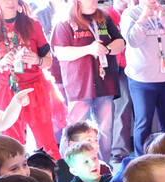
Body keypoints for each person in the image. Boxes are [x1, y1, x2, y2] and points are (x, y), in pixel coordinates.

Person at [0, 0, 61, 160]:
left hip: (34, 89)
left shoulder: (33, 24)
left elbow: (49, 61)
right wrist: (1, 63)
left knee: (46, 142)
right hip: (6, 91)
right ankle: (16, 181)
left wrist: (37, 59)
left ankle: (53, 180)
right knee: (11, 144)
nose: (9, 2)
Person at [53, 0, 124, 163]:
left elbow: (121, 42)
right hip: (79, 85)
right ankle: (69, 166)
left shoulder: (103, 17)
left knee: (105, 129)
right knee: (75, 131)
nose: (94, 2)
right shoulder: (65, 21)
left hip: (105, 83)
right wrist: (88, 49)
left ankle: (103, 166)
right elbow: (60, 53)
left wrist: (107, 49)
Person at [121, 0, 165, 155]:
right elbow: (132, 40)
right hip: (142, 80)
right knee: (143, 124)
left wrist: (164, 19)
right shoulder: (131, 13)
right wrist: (144, 17)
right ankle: (142, 163)